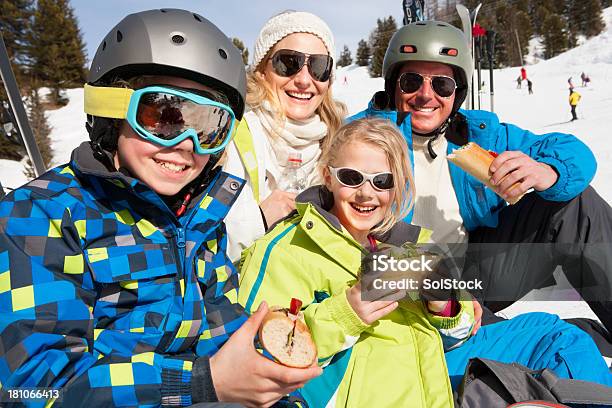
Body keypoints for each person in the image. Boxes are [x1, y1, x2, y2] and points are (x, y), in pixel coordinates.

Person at [0, 9, 321, 407]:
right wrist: (198, 384)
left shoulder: (200, 219)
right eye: (163, 116)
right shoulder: (42, 215)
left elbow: (220, 328)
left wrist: (275, 387)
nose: (187, 143)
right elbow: (32, 390)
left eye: (209, 126)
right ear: (112, 109)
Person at [238, 118, 611, 407]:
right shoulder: (288, 248)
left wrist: (447, 304)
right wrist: (346, 312)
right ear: (328, 177)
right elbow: (255, 350)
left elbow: (462, 327)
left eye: (382, 181)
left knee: (556, 337)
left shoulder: (408, 245)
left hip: (431, 367)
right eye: (352, 178)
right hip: (374, 388)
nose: (367, 193)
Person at [350, 20, 612, 336]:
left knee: (577, 205)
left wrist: (548, 171)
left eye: (442, 85)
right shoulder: (358, 138)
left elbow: (575, 152)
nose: (425, 95)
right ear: (392, 84)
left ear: (457, 92)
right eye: (411, 81)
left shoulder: (477, 134)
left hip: (473, 272)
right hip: (397, 281)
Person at [223, 10, 347, 261]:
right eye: (288, 63)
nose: (303, 79)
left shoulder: (339, 144)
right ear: (261, 71)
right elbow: (197, 246)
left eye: (319, 67)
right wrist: (259, 220)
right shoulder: (231, 139)